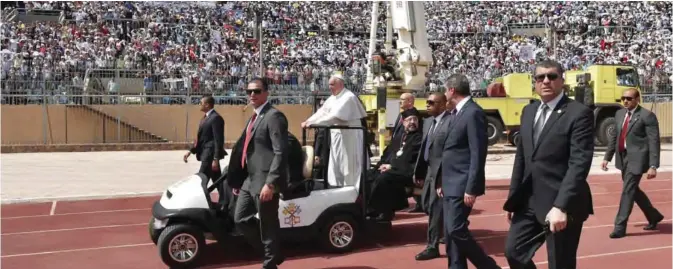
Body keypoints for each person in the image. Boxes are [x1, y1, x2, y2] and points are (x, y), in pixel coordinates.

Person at [503, 60, 595, 269]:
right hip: (529, 201)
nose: (546, 81)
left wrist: (561, 206)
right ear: (534, 83)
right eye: (540, 77)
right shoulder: (529, 112)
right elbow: (522, 158)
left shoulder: (578, 113)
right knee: (514, 252)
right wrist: (513, 197)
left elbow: (579, 163)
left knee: (559, 264)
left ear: (562, 81)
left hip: (562, 202)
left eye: (552, 76)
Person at [437, 74, 500, 269]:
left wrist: (471, 187)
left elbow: (478, 152)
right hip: (449, 183)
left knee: (456, 229)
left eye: (446, 89)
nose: (445, 93)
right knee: (450, 232)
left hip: (462, 183)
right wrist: (440, 181)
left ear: (452, 90)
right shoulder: (456, 113)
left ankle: (488, 266)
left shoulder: (473, 113)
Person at [227, 78, 288, 269]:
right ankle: (274, 252)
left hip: (265, 180)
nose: (252, 94)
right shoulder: (254, 117)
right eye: (249, 91)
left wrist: (270, 183)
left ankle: (270, 263)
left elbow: (280, 152)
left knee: (268, 225)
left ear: (266, 93)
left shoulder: (274, 116)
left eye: (257, 91)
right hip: (249, 179)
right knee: (240, 219)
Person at [602, 88, 664, 239]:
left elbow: (654, 141)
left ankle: (619, 226)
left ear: (637, 100)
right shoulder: (619, 114)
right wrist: (607, 157)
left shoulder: (647, 116)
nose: (625, 101)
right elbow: (614, 138)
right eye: (623, 98)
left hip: (637, 159)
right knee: (633, 189)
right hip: (622, 158)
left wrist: (653, 165)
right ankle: (653, 215)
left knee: (628, 191)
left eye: (629, 98)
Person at [301, 74, 368, 188]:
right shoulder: (333, 98)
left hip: (349, 137)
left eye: (332, 85)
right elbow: (322, 112)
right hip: (337, 137)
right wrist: (308, 121)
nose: (330, 87)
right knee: (336, 165)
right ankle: (336, 188)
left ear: (340, 84)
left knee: (348, 166)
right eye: (329, 85)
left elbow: (335, 117)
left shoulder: (349, 97)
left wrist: (314, 124)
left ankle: (352, 190)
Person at [413, 92, 451, 261]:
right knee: (426, 204)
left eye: (431, 102)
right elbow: (424, 149)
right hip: (428, 170)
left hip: (441, 172)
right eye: (427, 102)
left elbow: (449, 153)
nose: (427, 105)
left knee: (435, 208)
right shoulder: (428, 122)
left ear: (442, 105)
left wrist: (442, 179)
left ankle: (432, 245)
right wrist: (419, 172)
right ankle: (447, 228)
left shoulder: (451, 122)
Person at [367, 109, 423, 221]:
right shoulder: (399, 137)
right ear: (403, 122)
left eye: (415, 119)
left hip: (407, 171)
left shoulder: (419, 138)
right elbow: (387, 154)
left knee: (384, 178)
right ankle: (367, 208)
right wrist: (381, 165)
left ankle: (380, 211)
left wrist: (391, 166)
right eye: (409, 120)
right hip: (394, 169)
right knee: (368, 175)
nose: (412, 122)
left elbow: (408, 158)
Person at [183, 95, 226, 203]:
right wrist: (190, 151)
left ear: (207, 105)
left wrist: (216, 158)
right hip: (205, 153)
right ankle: (226, 200)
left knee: (201, 178)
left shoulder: (216, 118)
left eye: (201, 103)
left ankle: (196, 202)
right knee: (217, 180)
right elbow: (201, 138)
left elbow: (218, 140)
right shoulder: (205, 117)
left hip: (210, 154)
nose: (199, 104)